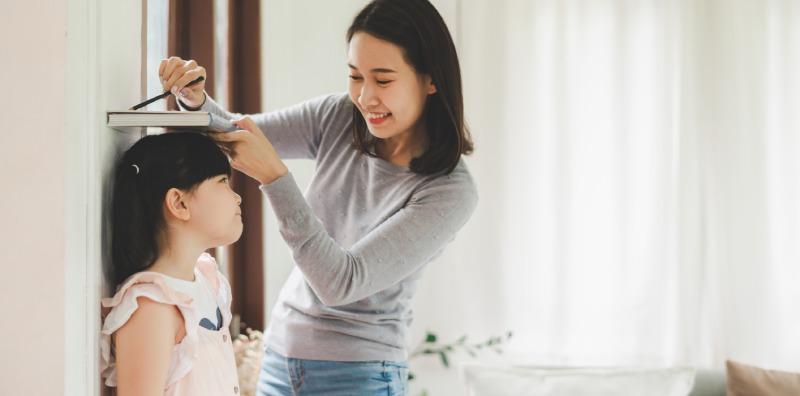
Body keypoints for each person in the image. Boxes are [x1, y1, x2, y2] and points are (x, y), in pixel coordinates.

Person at [159, 0, 477, 394]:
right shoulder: (340, 116)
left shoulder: (449, 191)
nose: (365, 97)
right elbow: (240, 134)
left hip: (359, 376)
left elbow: (341, 282)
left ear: (431, 79)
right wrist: (194, 100)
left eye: (383, 79)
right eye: (355, 76)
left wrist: (275, 177)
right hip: (280, 359)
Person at [101, 132, 243, 396]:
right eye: (223, 181)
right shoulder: (152, 306)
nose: (237, 198)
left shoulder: (206, 279)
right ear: (179, 203)